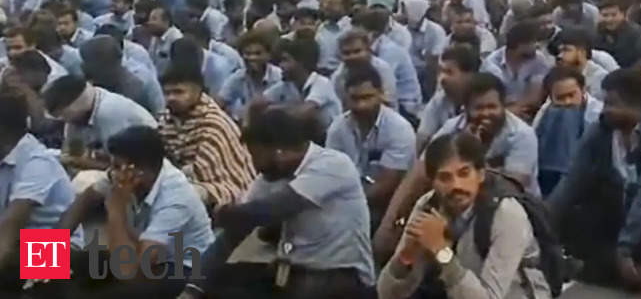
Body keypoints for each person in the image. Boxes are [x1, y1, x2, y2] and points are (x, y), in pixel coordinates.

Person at [182, 107, 375, 298]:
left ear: (279, 152)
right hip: (297, 272)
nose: (254, 164)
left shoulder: (333, 165)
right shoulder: (271, 177)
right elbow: (232, 233)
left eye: (255, 156)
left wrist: (227, 213)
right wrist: (192, 289)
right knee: (217, 281)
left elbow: (273, 208)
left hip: (341, 277)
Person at [548, 68, 641, 290]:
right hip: (613, 211)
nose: (605, 110)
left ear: (637, 106)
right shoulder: (600, 131)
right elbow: (573, 181)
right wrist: (542, 223)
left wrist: (624, 248)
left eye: (612, 104)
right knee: (576, 217)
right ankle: (611, 269)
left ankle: (612, 268)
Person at [377, 132, 554, 299]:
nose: (456, 185)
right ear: (433, 183)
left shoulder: (506, 213)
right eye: (445, 178)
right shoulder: (428, 206)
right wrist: (407, 256)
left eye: (464, 173)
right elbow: (386, 293)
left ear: (480, 174)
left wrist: (441, 251)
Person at [55, 125, 214, 298]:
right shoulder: (126, 174)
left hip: (183, 269)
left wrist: (116, 212)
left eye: (116, 166)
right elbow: (86, 199)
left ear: (140, 171)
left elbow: (129, 272)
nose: (111, 172)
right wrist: (50, 248)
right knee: (63, 265)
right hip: (142, 253)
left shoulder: (176, 199)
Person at [0, 92, 76, 285]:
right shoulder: (6, 154)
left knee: (10, 263)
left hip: (58, 250)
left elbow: (11, 226)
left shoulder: (36, 164)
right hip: (18, 244)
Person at [325, 62, 417, 219]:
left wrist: (347, 207)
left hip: (389, 204)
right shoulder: (337, 128)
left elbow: (386, 185)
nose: (361, 105)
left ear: (381, 94)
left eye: (367, 97)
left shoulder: (399, 129)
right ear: (345, 98)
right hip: (348, 200)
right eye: (355, 99)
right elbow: (332, 174)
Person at [159, 64, 256, 208]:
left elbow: (205, 174)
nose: (171, 98)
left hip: (231, 191)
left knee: (188, 194)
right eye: (167, 93)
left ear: (197, 91)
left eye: (179, 92)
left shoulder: (213, 123)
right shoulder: (166, 120)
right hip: (180, 183)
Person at [43, 75, 157, 172]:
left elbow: (122, 166)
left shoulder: (109, 111)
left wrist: (82, 162)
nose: (62, 120)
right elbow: (73, 153)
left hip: (145, 165)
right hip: (112, 161)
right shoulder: (78, 116)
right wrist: (73, 159)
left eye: (62, 115)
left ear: (73, 107)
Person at [532, 66, 603, 195]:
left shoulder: (598, 113)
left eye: (571, 95)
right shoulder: (547, 112)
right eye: (560, 98)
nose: (567, 102)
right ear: (551, 97)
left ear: (583, 90)